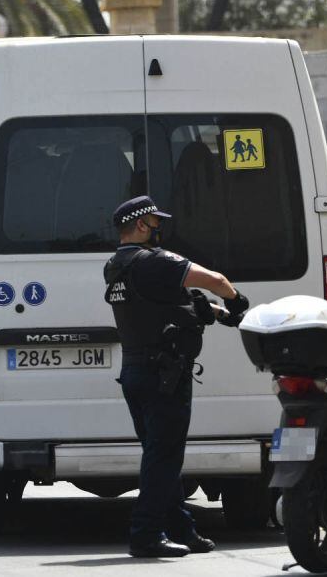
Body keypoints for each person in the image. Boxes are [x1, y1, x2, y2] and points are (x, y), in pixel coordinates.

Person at [103, 196, 249, 558]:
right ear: (140, 225)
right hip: (163, 373)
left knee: (160, 455)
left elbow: (168, 305)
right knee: (164, 457)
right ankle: (145, 534)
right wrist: (236, 301)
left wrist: (213, 312)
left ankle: (184, 530)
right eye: (154, 223)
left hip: (136, 371)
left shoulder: (116, 266)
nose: (159, 229)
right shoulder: (154, 261)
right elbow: (214, 279)